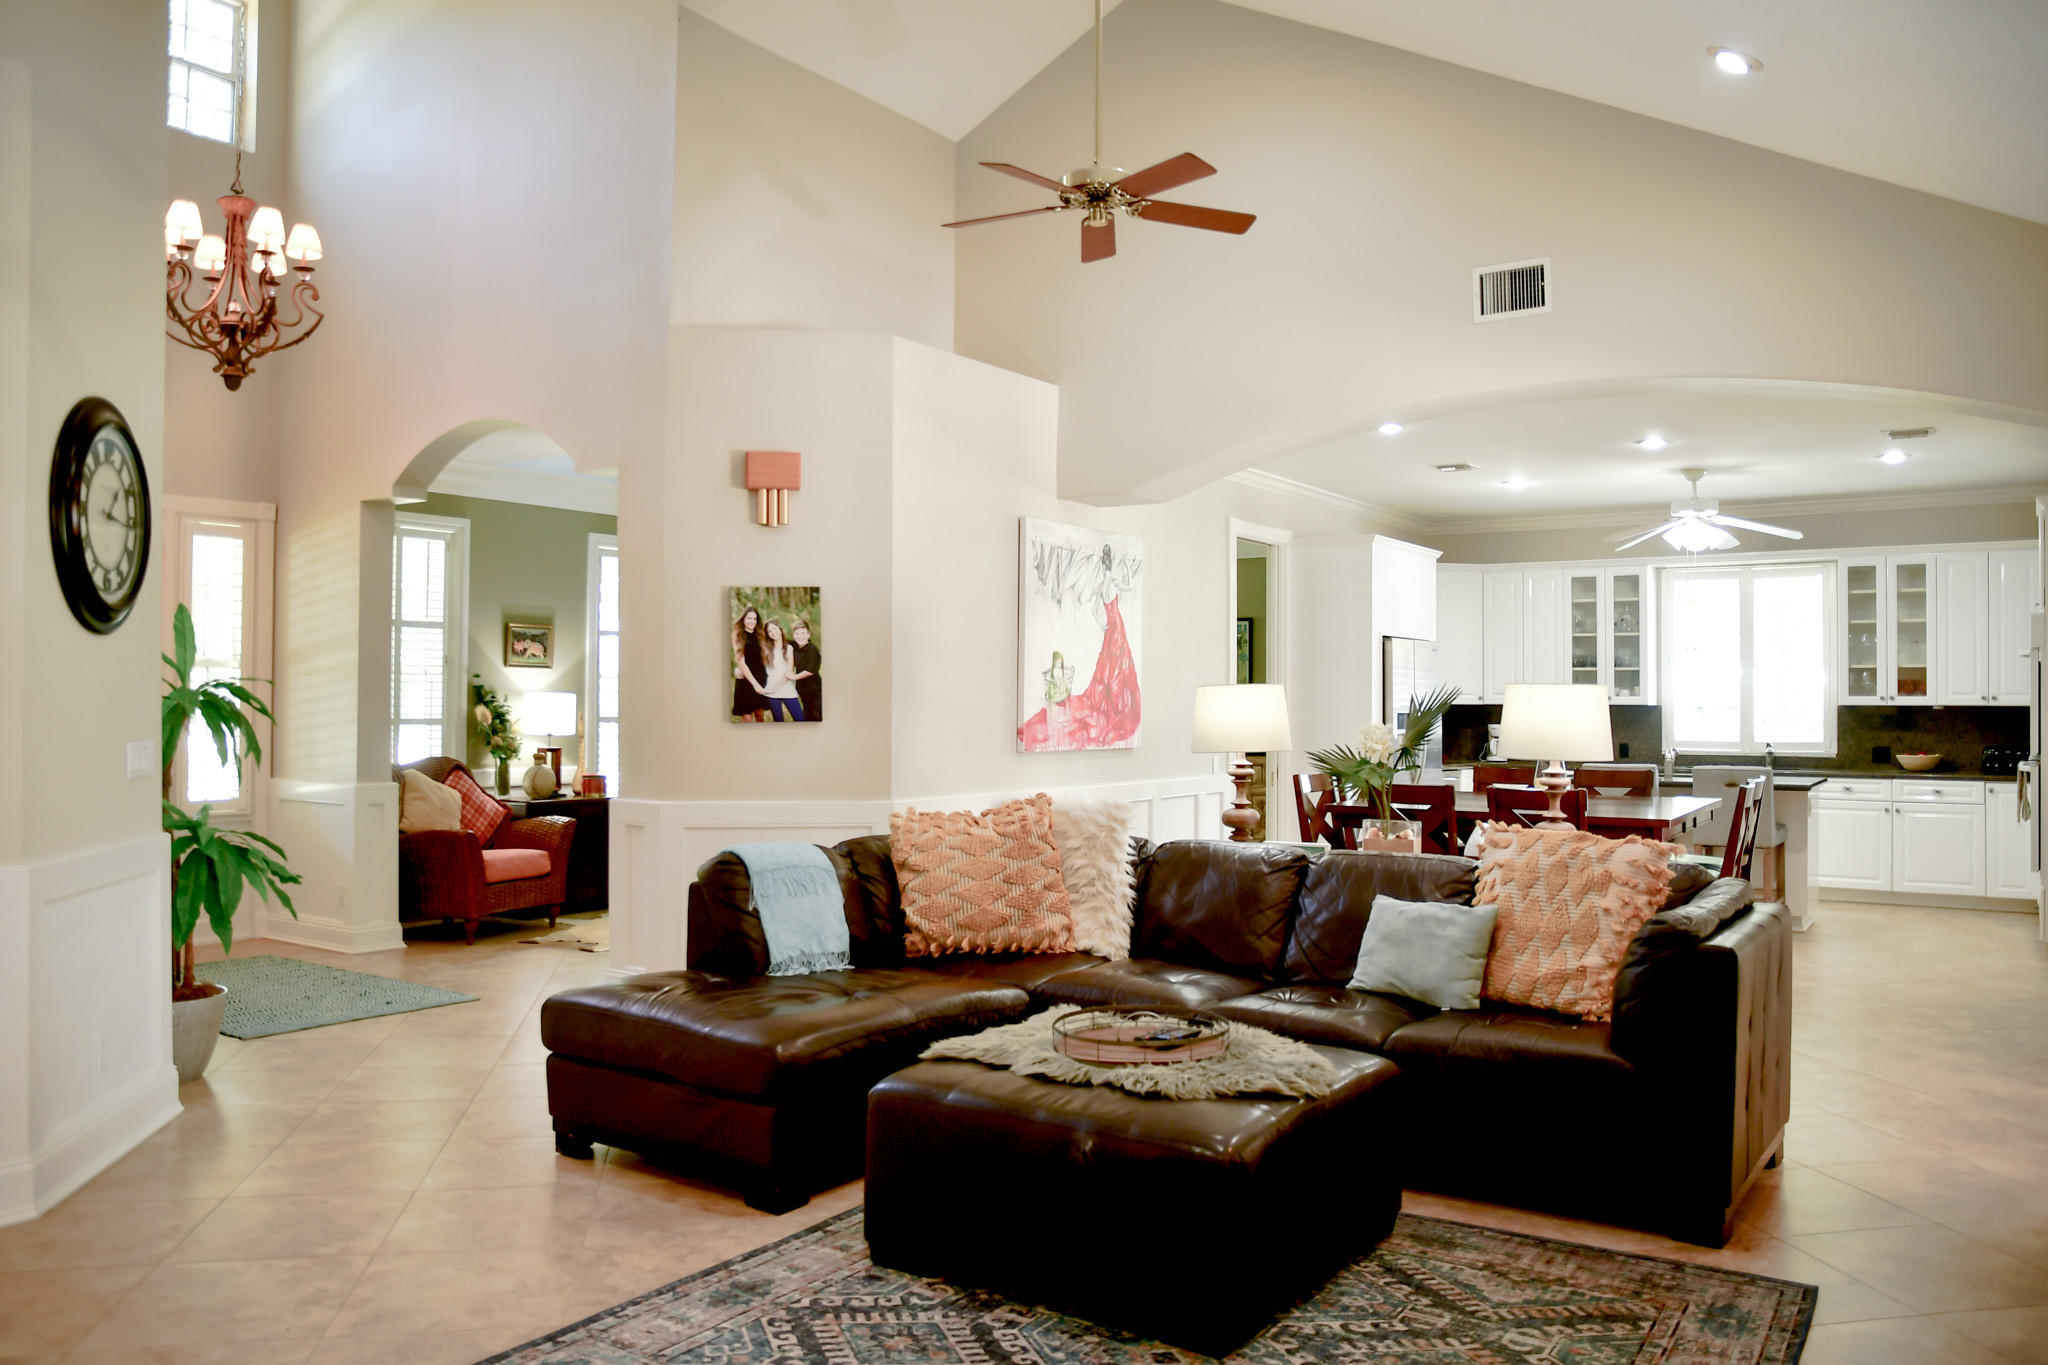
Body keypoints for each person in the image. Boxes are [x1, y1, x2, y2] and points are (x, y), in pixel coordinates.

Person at [759, 619, 807, 722]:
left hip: (786, 688)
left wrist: (775, 688)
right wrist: (739, 669)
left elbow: (788, 673)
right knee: (778, 721)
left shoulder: (789, 648)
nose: (773, 632)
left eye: (774, 629)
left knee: (800, 719)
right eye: (770, 631)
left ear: (780, 629)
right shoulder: (766, 650)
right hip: (771, 691)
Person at [731, 606, 769, 722]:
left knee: (759, 715)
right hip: (746, 680)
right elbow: (740, 661)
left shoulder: (761, 635)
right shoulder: (737, 635)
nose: (752, 621)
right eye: (749, 618)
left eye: (754, 619)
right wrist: (755, 684)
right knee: (747, 717)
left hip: (761, 676)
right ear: (743, 619)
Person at [790, 618, 821, 722]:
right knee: (808, 716)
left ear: (809, 634)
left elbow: (809, 671)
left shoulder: (813, 649)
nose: (800, 636)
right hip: (803, 690)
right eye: (797, 633)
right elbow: (779, 640)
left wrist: (793, 676)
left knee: (816, 717)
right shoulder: (795, 646)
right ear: (793, 635)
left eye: (803, 633)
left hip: (815, 691)